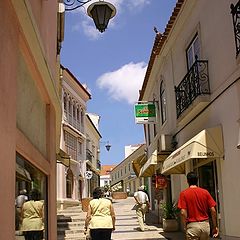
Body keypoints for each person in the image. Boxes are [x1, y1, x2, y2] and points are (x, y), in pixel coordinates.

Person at [178, 172, 219, 240]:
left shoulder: (184, 194)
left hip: (192, 226)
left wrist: (185, 226)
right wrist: (215, 226)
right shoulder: (205, 192)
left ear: (187, 181)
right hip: (205, 226)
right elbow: (213, 210)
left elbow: (183, 212)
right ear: (197, 180)